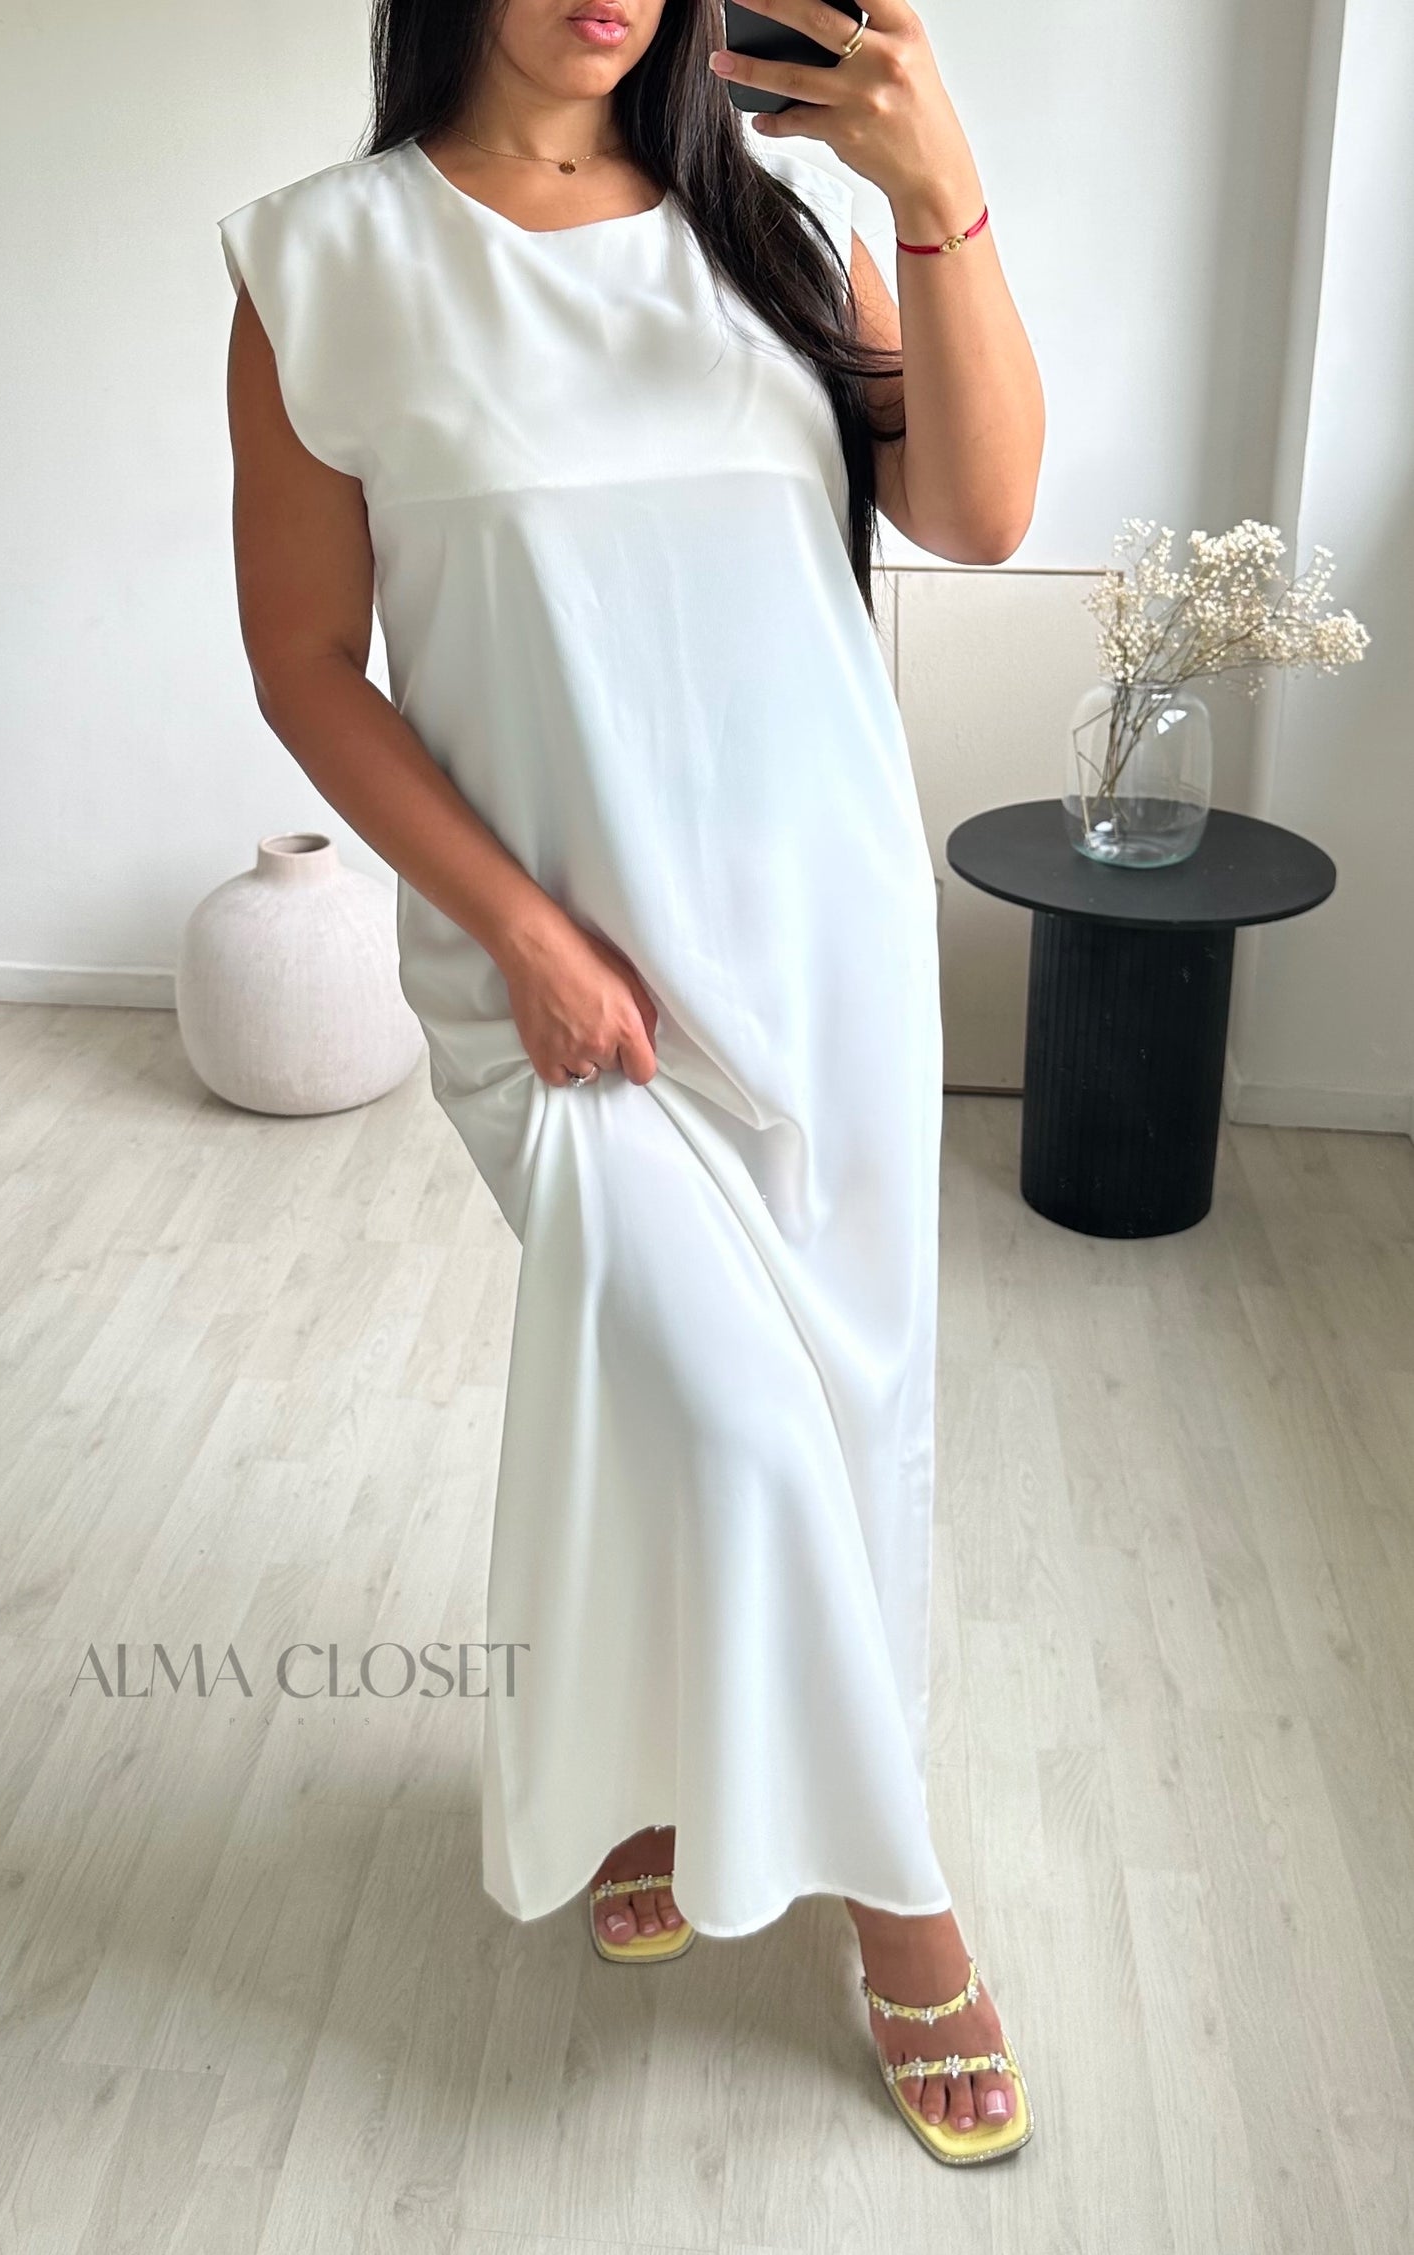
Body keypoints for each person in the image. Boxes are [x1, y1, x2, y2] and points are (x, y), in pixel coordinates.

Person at [219, 0, 1044, 2167]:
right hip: (567, 992)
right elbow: (305, 663)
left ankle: (673, 1780)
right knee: (735, 1417)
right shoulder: (321, 262)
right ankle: (907, 1911)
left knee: (832, 1420)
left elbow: (979, 513)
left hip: (826, 959)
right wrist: (518, 930)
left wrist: (935, 193)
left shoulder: (774, 240)